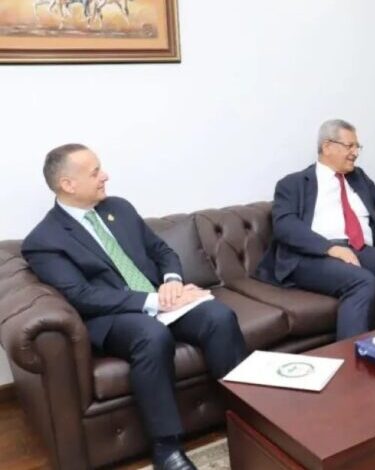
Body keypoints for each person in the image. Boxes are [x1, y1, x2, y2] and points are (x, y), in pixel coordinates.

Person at [22, 144, 247, 470]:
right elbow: (81, 295)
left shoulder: (119, 208)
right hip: (113, 317)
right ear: (68, 184)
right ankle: (166, 448)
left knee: (219, 316)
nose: (105, 176)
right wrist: (155, 301)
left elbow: (161, 251)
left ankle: (245, 415)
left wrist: (172, 282)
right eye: (95, 172)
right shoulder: (45, 240)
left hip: (163, 299)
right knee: (151, 335)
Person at [255, 119, 375, 339]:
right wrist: (331, 249)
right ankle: (348, 358)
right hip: (312, 256)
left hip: (358, 249)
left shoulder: (358, 178)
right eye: (350, 146)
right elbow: (285, 226)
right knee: (363, 281)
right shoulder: (293, 183)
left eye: (357, 147)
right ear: (327, 146)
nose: (355, 153)